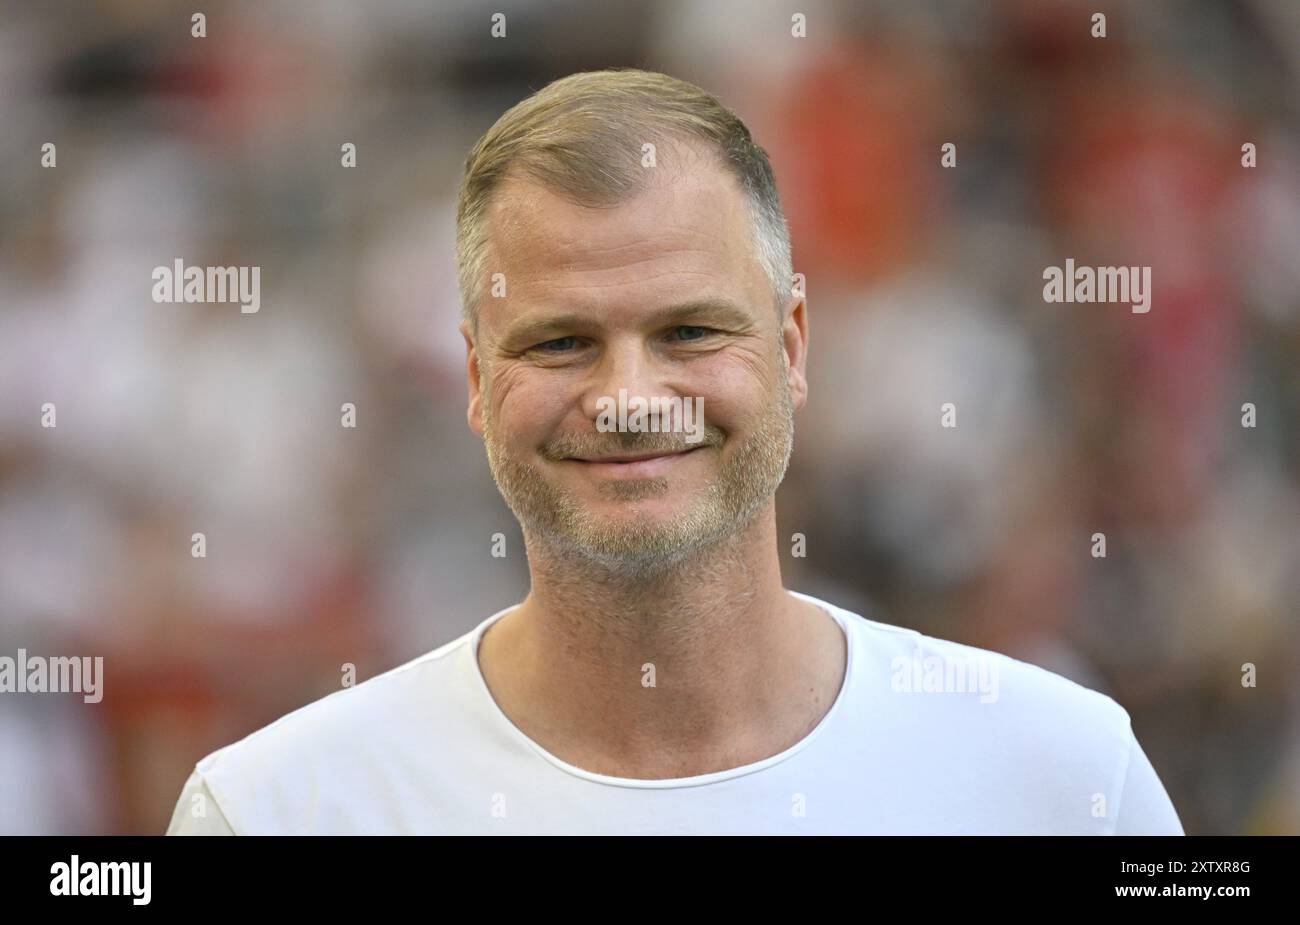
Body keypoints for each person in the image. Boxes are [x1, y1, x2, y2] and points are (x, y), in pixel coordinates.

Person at [166, 68, 1182, 835]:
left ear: (790, 348)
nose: (631, 400)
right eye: (562, 342)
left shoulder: (1063, 776)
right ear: (477, 380)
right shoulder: (276, 811)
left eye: (690, 331)